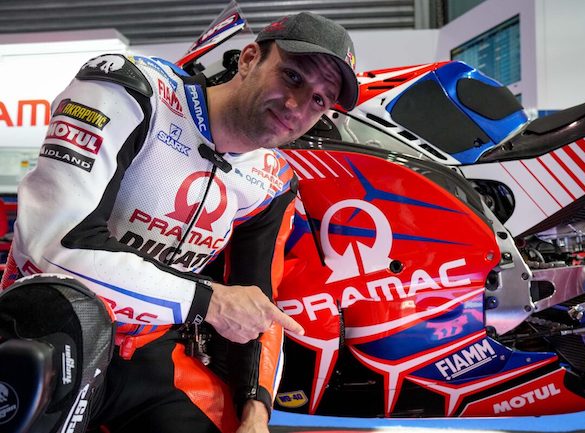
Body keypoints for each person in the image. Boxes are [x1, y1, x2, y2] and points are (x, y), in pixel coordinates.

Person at [0, 11, 358, 433]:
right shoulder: (129, 88)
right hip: (50, 331)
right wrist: (209, 301)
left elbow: (258, 301)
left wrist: (256, 411)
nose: (297, 106)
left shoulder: (272, 180)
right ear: (248, 59)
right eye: (292, 77)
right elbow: (55, 247)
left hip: (150, 351)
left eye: (320, 100)